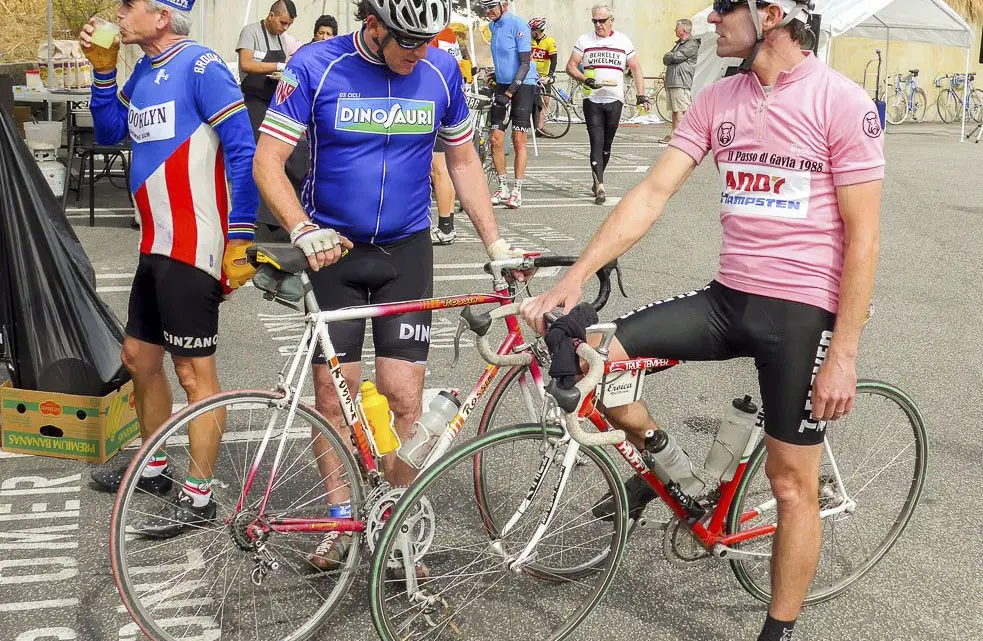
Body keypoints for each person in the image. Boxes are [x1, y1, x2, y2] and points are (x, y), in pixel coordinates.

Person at [522, 2, 883, 641]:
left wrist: (845, 353)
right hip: (727, 299)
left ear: (771, 15)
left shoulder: (840, 102)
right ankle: (660, 466)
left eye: (724, 9)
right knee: (598, 360)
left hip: (801, 313)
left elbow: (864, 239)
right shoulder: (719, 98)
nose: (712, 20)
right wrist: (575, 276)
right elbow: (653, 193)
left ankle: (778, 631)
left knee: (790, 481)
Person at [253, 0, 520, 571]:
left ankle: (395, 519)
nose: (417, 52)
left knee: (403, 396)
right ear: (371, 23)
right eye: (406, 40)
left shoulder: (442, 70)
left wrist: (494, 243)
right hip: (336, 253)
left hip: (406, 252)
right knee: (332, 396)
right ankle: (340, 517)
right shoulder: (317, 65)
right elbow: (268, 161)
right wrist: (301, 229)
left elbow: (465, 161)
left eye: (427, 41)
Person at [80, 0, 259, 538]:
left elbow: (242, 149)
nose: (117, 12)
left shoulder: (201, 66)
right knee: (138, 358)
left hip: (195, 246)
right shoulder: (144, 69)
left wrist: (243, 235)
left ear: (161, 16)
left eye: (128, 5)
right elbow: (112, 132)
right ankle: (154, 466)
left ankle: (200, 496)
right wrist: (104, 71)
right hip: (154, 246)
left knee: (193, 375)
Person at [565, 3, 649, 205]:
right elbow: (570, 66)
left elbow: (636, 68)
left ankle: (597, 176)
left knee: (607, 144)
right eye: (594, 21)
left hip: (614, 98)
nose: (598, 25)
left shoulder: (623, 41)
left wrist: (641, 95)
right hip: (592, 98)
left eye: (602, 21)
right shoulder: (584, 40)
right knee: (596, 140)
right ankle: (600, 186)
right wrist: (585, 79)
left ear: (612, 21)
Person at [478, 0, 538, 210]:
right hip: (503, 84)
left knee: (518, 138)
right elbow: (504, 59)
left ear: (504, 5)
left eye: (491, 7)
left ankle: (517, 191)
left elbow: (524, 63)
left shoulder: (519, 25)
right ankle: (503, 187)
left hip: (523, 84)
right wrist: (495, 76)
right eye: (484, 8)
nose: (488, 12)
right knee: (495, 138)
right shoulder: (493, 26)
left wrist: (510, 92)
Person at [236, 0, 297, 132]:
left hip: (274, 102)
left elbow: (285, 65)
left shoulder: (281, 37)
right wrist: (278, 66)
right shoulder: (250, 32)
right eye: (283, 23)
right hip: (254, 101)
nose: (285, 28)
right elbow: (246, 64)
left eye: (289, 24)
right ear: (271, 16)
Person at [430, 24, 465, 246]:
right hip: (451, 96)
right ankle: (448, 224)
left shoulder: (432, 36)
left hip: (438, 102)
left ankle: (445, 227)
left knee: (438, 169)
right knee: (447, 169)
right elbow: (460, 65)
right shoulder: (449, 33)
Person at [661, 18, 699, 143]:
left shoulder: (691, 44)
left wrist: (669, 56)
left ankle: (680, 136)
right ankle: (674, 133)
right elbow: (666, 59)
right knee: (675, 111)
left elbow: (676, 57)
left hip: (681, 81)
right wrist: (669, 56)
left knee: (680, 110)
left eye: (677, 27)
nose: (675, 30)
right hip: (672, 81)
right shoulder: (679, 44)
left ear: (683, 30)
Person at [529, 17, 557, 133]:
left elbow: (554, 60)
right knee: (530, 101)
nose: (530, 32)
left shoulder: (549, 41)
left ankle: (540, 128)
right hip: (530, 75)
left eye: (533, 30)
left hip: (543, 76)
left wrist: (550, 75)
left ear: (539, 30)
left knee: (546, 100)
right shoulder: (528, 40)